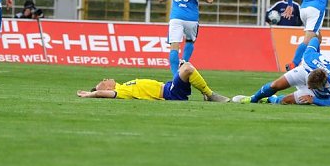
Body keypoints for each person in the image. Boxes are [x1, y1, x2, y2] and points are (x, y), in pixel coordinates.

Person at [232, 37, 330, 106]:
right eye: (308, 84)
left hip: (315, 96)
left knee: (284, 101)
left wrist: (314, 101)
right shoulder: (309, 57)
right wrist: (296, 62)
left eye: (311, 87)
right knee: (275, 85)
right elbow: (315, 39)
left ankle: (271, 99)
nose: (308, 87)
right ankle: (253, 99)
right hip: (304, 71)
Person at [77, 61, 229, 102]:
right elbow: (102, 94)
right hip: (170, 93)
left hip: (169, 86)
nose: (105, 80)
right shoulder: (121, 92)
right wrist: (90, 94)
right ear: (108, 88)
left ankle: (205, 93)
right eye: (102, 82)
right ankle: (209, 94)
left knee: (184, 65)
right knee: (188, 68)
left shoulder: (123, 86)